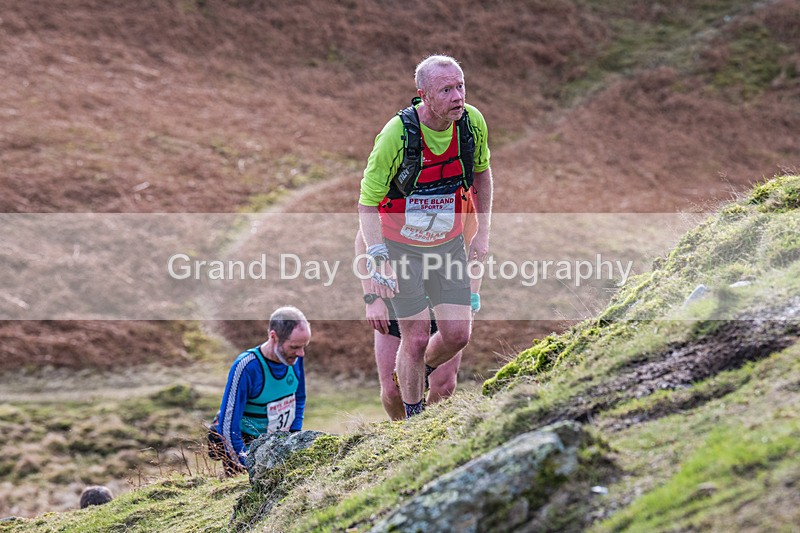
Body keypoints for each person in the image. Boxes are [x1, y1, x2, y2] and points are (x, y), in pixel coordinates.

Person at [357, 55, 493, 418]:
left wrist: (482, 235)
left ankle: (420, 371)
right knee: (414, 338)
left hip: (447, 247)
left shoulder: (471, 124)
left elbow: (482, 174)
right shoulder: (396, 135)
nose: (458, 97)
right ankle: (413, 417)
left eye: (460, 86)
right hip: (400, 248)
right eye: (446, 90)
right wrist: (377, 260)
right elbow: (367, 204)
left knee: (457, 335)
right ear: (424, 95)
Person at [355, 191, 484, 421]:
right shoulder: (403, 182)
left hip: (443, 296)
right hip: (397, 294)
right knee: (393, 390)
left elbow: (475, 254)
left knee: (444, 385)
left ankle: (427, 431)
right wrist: (371, 299)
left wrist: (471, 300)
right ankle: (402, 433)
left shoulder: (462, 196)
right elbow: (362, 240)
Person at [209, 306, 311, 475]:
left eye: (304, 346)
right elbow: (228, 425)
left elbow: (298, 399)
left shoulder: (294, 358)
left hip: (277, 445)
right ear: (274, 336)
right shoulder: (247, 366)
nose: (301, 353)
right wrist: (247, 466)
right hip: (244, 450)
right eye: (294, 347)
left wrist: (294, 439)